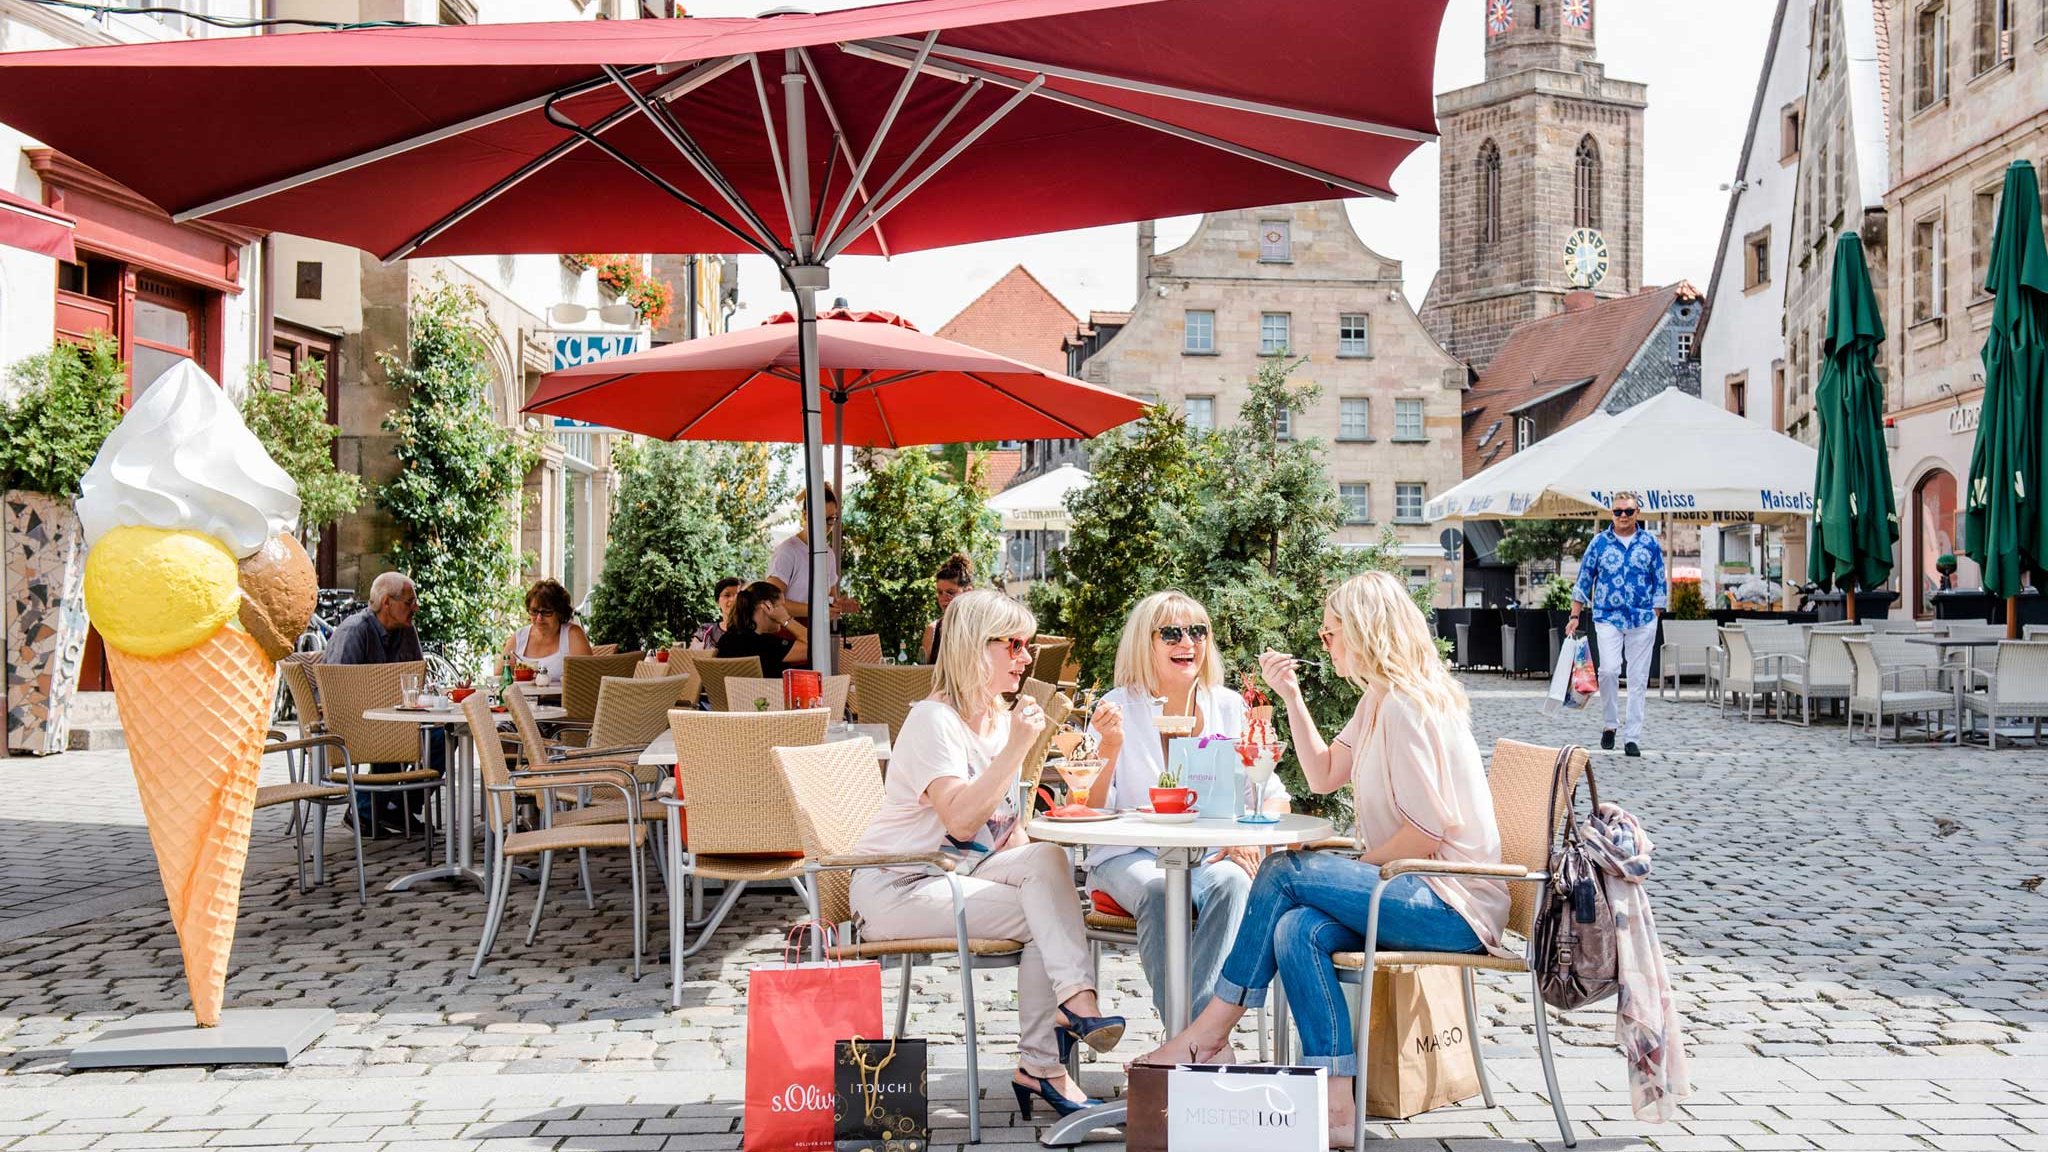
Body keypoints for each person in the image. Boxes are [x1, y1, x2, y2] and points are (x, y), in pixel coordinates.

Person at [1142, 571, 1508, 1146]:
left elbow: (1425, 831)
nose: (1325, 643)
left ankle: (1207, 1032)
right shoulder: (1377, 700)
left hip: (1453, 903)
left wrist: (1345, 867)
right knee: (1296, 928)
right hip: (1415, 889)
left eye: (1331, 633)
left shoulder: (1407, 707)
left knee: (1284, 869)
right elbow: (1322, 774)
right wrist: (1290, 696)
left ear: (1363, 634)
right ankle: (1337, 1106)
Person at [849, 589, 1124, 1120]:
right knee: (1050, 917)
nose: (1027, 657)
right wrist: (1018, 749)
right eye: (1015, 645)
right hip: (900, 884)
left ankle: (1061, 1030)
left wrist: (1046, 868)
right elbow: (959, 818)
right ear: (977, 647)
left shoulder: (997, 717)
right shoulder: (934, 721)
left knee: (1052, 872)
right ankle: (1051, 1053)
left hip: (960, 873)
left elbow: (1005, 830)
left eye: (1028, 644)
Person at [1081, 591, 1286, 1023]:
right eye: (1171, 633)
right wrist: (1110, 748)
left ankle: (1185, 1040)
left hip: (1209, 856)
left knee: (1233, 883)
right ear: (1146, 643)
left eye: (1197, 632)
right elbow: (1091, 808)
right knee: (1159, 890)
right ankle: (1196, 1037)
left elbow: (1271, 789)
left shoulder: (1227, 705)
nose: (1187, 643)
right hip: (1129, 857)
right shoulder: (1117, 708)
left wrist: (1247, 837)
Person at [1565, 492, 1668, 757]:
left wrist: (1656, 611)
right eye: (1618, 511)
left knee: (1637, 678)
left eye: (1628, 511)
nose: (1623, 516)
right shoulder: (1599, 543)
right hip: (1608, 616)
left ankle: (1632, 737)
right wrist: (1575, 615)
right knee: (1609, 671)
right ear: (1612, 514)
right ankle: (1610, 724)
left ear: (1637, 514)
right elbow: (1584, 578)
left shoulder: (1649, 543)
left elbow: (1660, 578)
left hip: (1642, 618)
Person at [766, 482, 862, 626]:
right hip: (786, 635)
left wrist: (840, 606)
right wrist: (818, 610)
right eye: (818, 519)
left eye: (830, 519)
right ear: (805, 515)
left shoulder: (829, 554)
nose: (824, 526)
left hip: (817, 635)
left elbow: (830, 601)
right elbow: (771, 603)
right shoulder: (787, 551)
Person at [501, 578, 592, 682]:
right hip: (523, 698)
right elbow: (500, 677)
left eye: (546, 612)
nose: (539, 618)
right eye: (534, 611)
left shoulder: (572, 635)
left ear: (560, 612)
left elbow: (589, 679)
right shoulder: (519, 637)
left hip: (562, 698)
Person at [324, 571, 424, 666]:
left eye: (415, 603)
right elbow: (336, 681)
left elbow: (418, 676)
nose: (416, 608)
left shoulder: (406, 628)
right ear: (387, 602)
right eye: (409, 603)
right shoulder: (354, 631)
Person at [716, 581, 807, 678]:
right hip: (769, 693)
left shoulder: (726, 639)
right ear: (767, 606)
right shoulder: (764, 644)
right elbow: (816, 647)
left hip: (735, 693)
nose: (785, 611)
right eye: (781, 606)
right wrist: (786, 619)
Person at [920, 553, 975, 663]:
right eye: (940, 592)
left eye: (950, 592)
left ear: (968, 592)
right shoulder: (932, 630)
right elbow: (921, 675)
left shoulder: (979, 629)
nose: (943, 598)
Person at [692, 577, 743, 650]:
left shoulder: (751, 632)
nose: (733, 599)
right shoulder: (706, 631)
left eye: (737, 595)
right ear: (717, 602)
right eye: (727, 595)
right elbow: (690, 656)